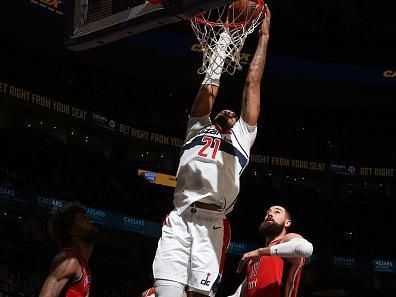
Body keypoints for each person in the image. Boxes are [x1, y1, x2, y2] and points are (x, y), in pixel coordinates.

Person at [152, 5, 272, 297]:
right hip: (179, 218)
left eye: (233, 112)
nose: (228, 110)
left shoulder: (243, 136)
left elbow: (251, 82)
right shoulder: (197, 127)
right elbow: (210, 85)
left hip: (213, 224)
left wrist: (264, 36)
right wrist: (224, 36)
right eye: (224, 109)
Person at [231, 205, 313, 297]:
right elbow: (238, 295)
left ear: (287, 223)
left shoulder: (285, 240)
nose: (269, 214)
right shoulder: (253, 260)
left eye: (277, 212)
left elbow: (305, 248)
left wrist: (259, 251)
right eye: (268, 212)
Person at [39, 203, 101, 297]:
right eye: (83, 219)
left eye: (88, 218)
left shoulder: (83, 266)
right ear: (72, 230)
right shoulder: (70, 259)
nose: (90, 221)